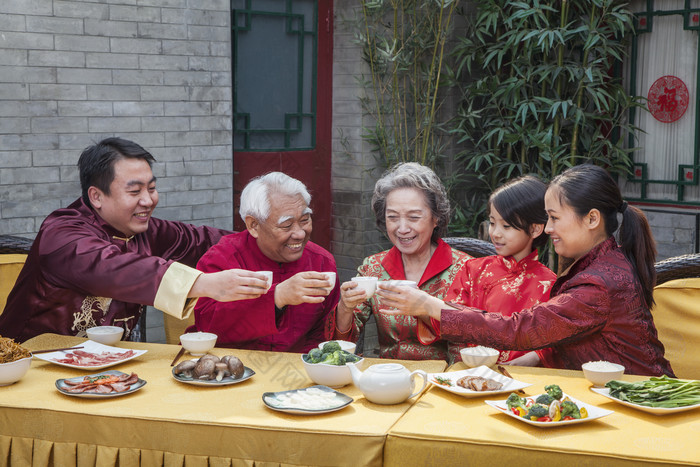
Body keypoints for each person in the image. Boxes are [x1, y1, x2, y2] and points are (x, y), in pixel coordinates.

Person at [386, 164, 675, 377]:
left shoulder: (598, 283)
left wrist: (432, 306)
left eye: (554, 218)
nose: (548, 229)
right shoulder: (600, 265)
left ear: (592, 219)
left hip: (639, 399)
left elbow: (520, 328)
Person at [0, 137, 270, 343]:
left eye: (152, 188)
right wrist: (205, 284)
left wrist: (270, 239)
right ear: (96, 196)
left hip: (109, 368)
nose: (148, 200)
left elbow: (204, 240)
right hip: (29, 363)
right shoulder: (62, 234)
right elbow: (115, 268)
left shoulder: (145, 231)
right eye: (135, 191)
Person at [332, 163, 471, 362]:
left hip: (445, 383)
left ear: (436, 218)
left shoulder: (467, 269)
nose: (402, 228)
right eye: (392, 217)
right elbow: (343, 345)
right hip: (388, 380)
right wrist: (345, 307)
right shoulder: (374, 267)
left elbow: (472, 342)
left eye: (414, 217)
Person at [191, 172, 339, 353]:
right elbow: (207, 327)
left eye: (304, 220)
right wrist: (277, 297)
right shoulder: (222, 258)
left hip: (295, 372)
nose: (300, 233)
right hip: (226, 369)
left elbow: (323, 336)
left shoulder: (321, 262)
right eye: (286, 225)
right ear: (254, 225)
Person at [424, 176, 557, 366]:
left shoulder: (550, 283)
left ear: (535, 229)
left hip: (523, 378)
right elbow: (446, 322)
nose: (495, 233)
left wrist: (535, 357)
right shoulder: (473, 269)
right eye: (492, 223)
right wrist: (420, 308)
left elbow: (553, 340)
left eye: (506, 226)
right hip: (471, 371)